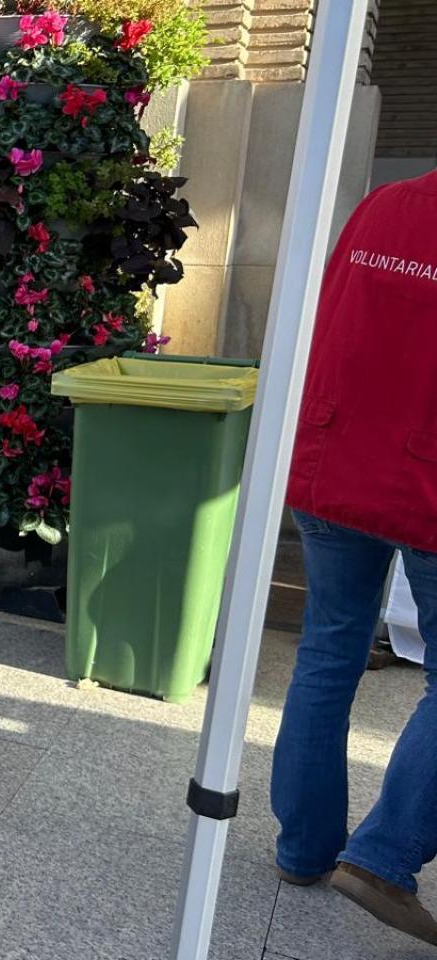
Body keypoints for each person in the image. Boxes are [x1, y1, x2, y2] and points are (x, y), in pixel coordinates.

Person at [271, 169, 437, 947]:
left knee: (329, 650)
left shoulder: (383, 204)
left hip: (334, 459)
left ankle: (304, 850)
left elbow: (331, 318)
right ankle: (380, 858)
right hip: (424, 477)